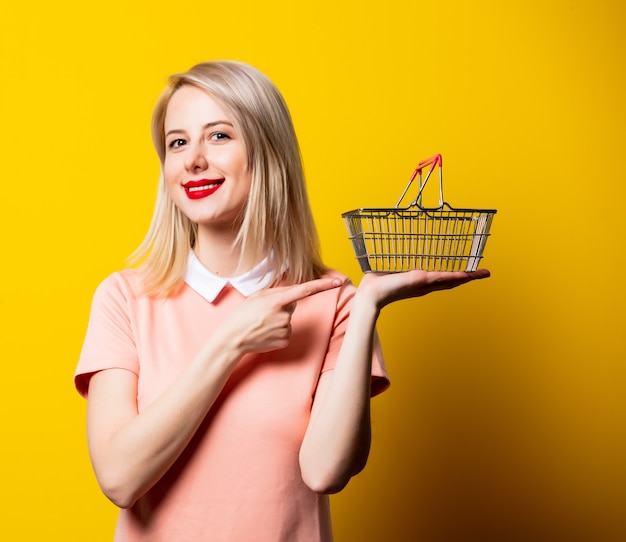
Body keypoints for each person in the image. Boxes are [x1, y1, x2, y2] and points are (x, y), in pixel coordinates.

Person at [74, 60, 490, 542]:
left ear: (268, 152)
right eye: (178, 142)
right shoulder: (124, 298)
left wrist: (368, 304)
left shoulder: (334, 303)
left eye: (219, 136)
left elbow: (325, 470)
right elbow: (120, 478)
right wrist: (231, 342)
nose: (193, 160)